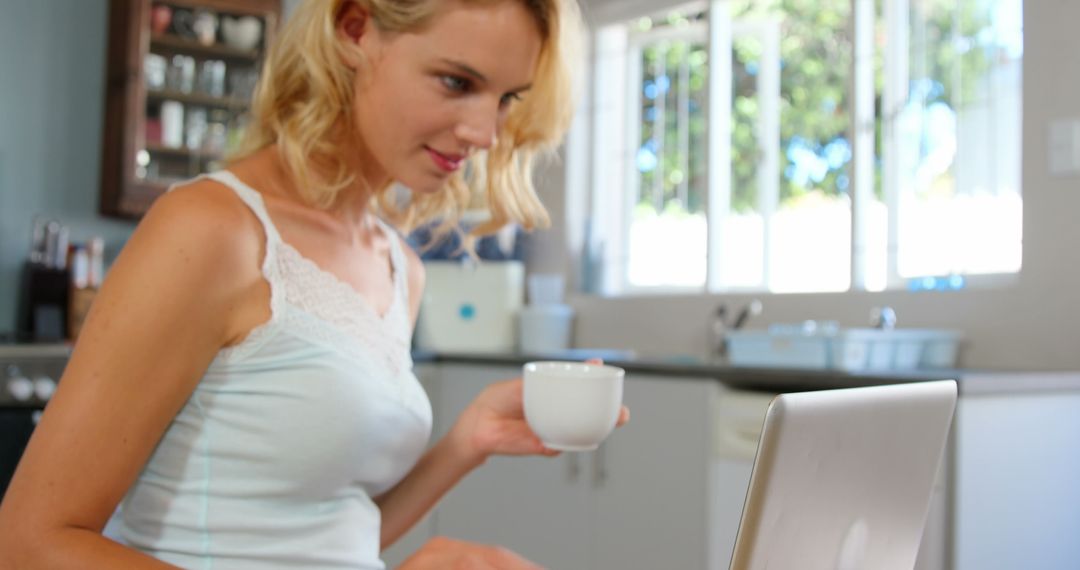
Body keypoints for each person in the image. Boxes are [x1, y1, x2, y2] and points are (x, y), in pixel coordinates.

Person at [0, 0, 627, 568]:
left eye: (507, 98)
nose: (485, 133)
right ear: (354, 29)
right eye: (457, 82)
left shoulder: (397, 266)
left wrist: (467, 441)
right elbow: (31, 542)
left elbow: (320, 536)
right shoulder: (214, 229)